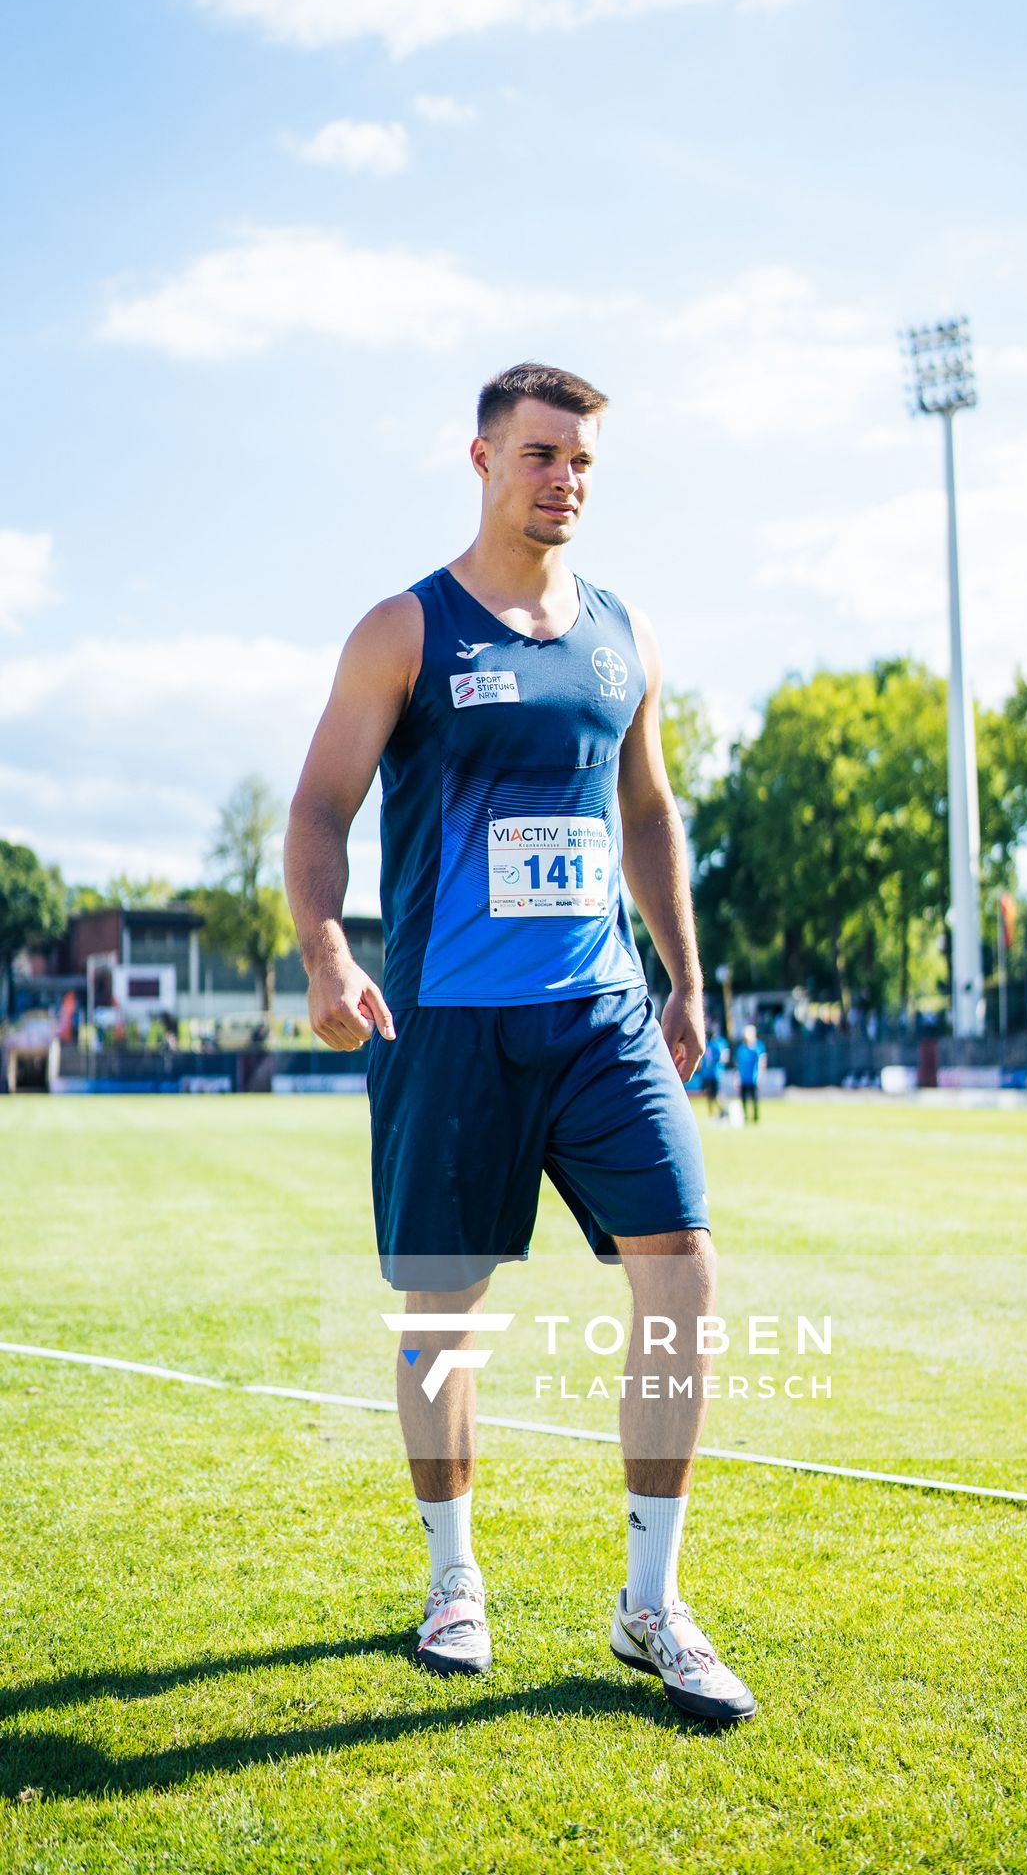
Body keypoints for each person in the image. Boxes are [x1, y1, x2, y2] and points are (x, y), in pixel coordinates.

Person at [284, 362, 755, 1724]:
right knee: (446, 1317)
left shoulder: (625, 637)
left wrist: (685, 975)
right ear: (483, 457)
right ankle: (453, 1580)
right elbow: (320, 806)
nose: (565, 480)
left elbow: (651, 813)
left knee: (688, 1276)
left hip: (602, 1018)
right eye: (542, 454)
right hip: (446, 1028)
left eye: (585, 463)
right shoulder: (405, 631)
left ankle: (652, 1605)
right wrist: (326, 952)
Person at [735, 1024, 766, 1124]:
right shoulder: (741, 1048)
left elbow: (762, 1061)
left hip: (753, 1078)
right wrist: (737, 1077)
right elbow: (737, 1064)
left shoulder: (758, 1046)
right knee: (743, 1099)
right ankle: (745, 1117)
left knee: (754, 1099)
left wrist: (760, 1075)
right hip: (743, 1078)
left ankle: (755, 1118)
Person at [702, 1025, 730, 1117]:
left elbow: (724, 1057)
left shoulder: (719, 1043)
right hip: (708, 1073)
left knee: (718, 1094)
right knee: (709, 1094)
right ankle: (712, 1113)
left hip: (716, 1073)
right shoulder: (706, 1043)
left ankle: (723, 1110)